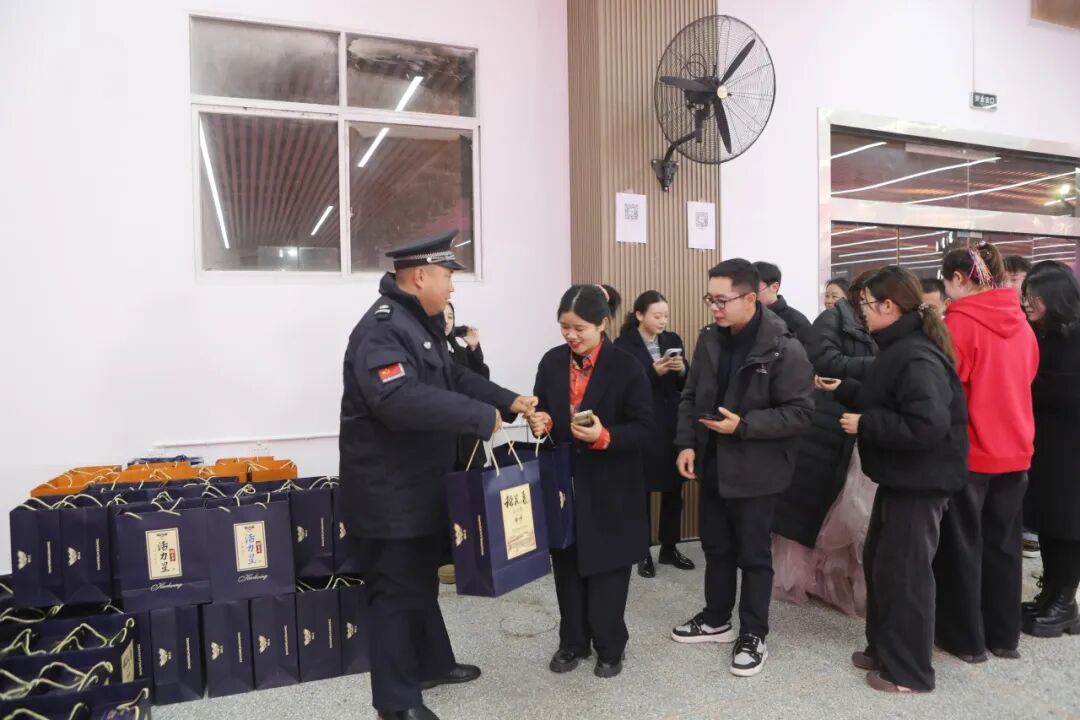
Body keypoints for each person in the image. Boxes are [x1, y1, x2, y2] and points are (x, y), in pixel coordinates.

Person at [339, 231, 538, 720]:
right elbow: (397, 398)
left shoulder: (418, 325)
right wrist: (478, 417)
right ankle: (396, 703)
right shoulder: (383, 329)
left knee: (419, 584)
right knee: (394, 596)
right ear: (420, 277)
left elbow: (454, 376)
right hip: (390, 494)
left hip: (421, 487)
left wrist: (507, 401)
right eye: (448, 276)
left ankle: (432, 663)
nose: (452, 287)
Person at [821, 265, 968, 693]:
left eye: (865, 305)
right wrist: (841, 388)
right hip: (901, 477)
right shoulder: (898, 347)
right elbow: (887, 397)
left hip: (921, 482)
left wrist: (866, 423)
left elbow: (926, 424)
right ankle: (884, 649)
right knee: (882, 564)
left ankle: (910, 672)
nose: (861, 313)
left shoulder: (916, 355)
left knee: (906, 574)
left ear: (889, 306)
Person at [671, 259, 814, 677]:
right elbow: (691, 395)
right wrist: (686, 443)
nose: (714, 308)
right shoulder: (709, 338)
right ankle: (716, 618)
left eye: (722, 300)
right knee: (716, 547)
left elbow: (802, 413)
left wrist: (745, 425)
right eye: (710, 299)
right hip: (713, 461)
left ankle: (754, 633)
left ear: (751, 298)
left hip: (758, 469)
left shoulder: (783, 346)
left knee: (753, 555)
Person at [526, 284, 654, 679]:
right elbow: (545, 409)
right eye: (564, 327)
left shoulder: (627, 366)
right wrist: (541, 421)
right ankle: (572, 642)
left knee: (608, 568)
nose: (571, 335)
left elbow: (645, 428)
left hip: (611, 482)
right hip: (563, 482)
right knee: (566, 564)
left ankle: (611, 645)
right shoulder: (552, 362)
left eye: (579, 328)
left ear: (603, 323)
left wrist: (605, 436)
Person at [933, 241, 1039, 663]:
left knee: (963, 546)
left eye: (946, 282)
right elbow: (1028, 376)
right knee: (1005, 545)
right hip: (1017, 448)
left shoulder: (958, 325)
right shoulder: (1023, 325)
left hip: (973, 452)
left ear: (959, 279)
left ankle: (966, 640)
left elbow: (945, 390)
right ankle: (1004, 636)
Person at [772, 269, 877, 616]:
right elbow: (824, 362)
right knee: (815, 508)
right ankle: (812, 580)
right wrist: (881, 366)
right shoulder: (831, 321)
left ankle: (838, 582)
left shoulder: (879, 324)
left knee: (848, 511)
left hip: (859, 421)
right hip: (826, 422)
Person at [613, 290, 695, 578]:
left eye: (665, 316)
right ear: (639, 315)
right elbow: (620, 388)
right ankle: (643, 551)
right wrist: (651, 372)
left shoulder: (672, 340)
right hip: (643, 425)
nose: (662, 321)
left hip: (672, 423)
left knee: (674, 488)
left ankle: (669, 547)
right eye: (657, 315)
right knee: (642, 490)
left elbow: (687, 384)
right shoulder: (623, 345)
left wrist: (681, 369)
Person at [1020, 262, 1080, 638]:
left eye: (1034, 296)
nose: (1026, 302)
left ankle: (1065, 601)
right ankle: (1050, 594)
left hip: (1071, 449)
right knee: (1048, 522)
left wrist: (1026, 385)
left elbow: (1067, 392)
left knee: (1068, 524)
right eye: (1025, 294)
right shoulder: (1041, 334)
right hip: (1046, 444)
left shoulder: (1075, 336)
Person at [438, 302, 492, 585]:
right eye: (441, 315)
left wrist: (474, 348)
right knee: (445, 500)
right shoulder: (426, 351)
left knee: (470, 497)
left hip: (468, 440)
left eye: (451, 316)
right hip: (442, 439)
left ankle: (472, 555)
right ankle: (446, 558)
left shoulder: (458, 351)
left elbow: (480, 383)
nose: (446, 321)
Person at [752, 261, 814, 345]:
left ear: (775, 287)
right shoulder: (746, 317)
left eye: (756, 289)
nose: (751, 295)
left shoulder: (796, 321)